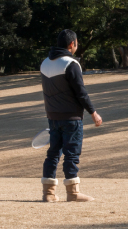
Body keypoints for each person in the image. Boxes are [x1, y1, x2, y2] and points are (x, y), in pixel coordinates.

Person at [40, 29, 103, 202]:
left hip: (52, 117)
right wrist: (93, 113)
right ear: (71, 44)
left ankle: (48, 193)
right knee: (71, 154)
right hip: (71, 118)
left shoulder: (45, 63)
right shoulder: (71, 64)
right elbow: (81, 93)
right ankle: (73, 193)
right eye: (77, 43)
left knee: (53, 153)